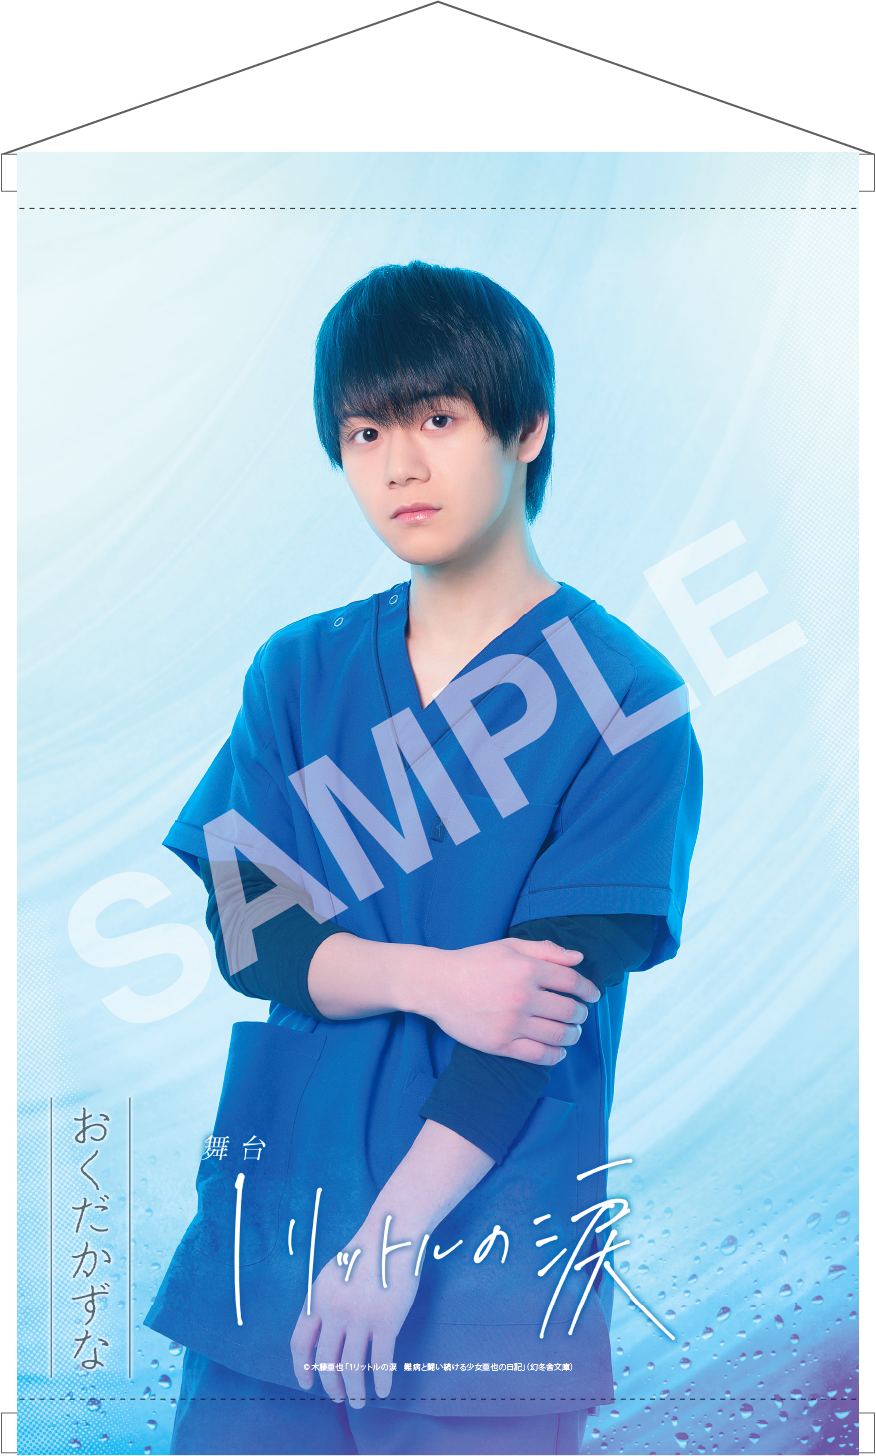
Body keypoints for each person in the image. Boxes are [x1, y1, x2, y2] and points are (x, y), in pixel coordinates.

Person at [146, 260, 702, 1456]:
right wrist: (436, 979)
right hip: (281, 1227)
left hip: (488, 1254)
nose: (398, 464)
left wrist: (390, 1241)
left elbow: (533, 1017)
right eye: (365, 432)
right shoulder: (298, 673)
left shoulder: (626, 701)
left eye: (438, 420)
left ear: (526, 428)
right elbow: (251, 940)